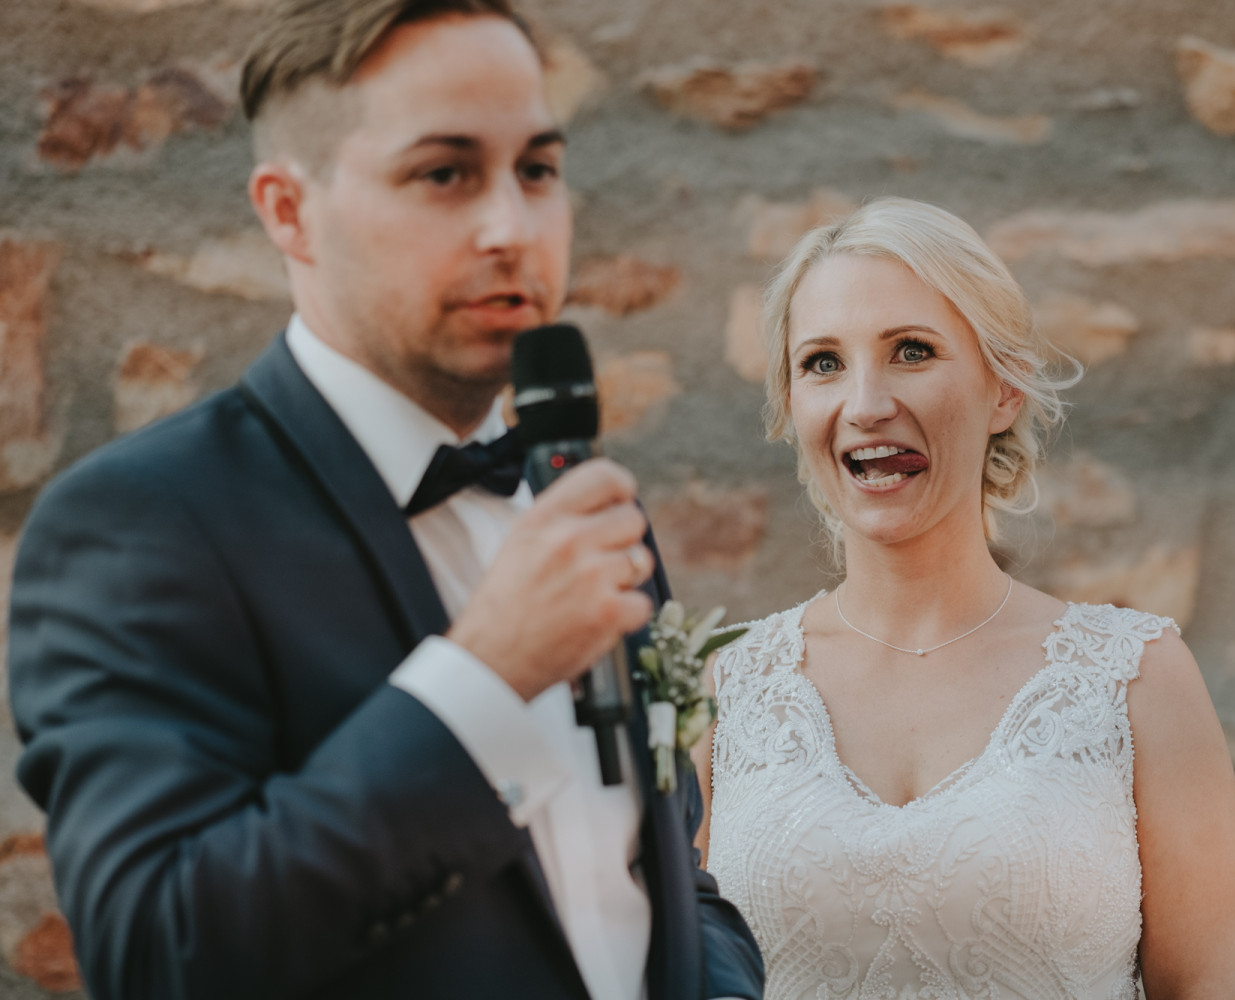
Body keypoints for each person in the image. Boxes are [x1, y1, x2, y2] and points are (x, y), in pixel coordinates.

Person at [6, 1, 763, 998]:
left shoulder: (572, 494)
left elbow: (655, 870)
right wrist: (486, 677)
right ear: (288, 210)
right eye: (444, 173)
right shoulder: (140, 524)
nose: (512, 226)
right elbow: (161, 951)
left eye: (537, 168)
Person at [692, 198, 1235, 999]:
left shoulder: (1138, 681)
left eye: (912, 351)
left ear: (1004, 389)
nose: (864, 405)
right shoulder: (721, 690)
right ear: (792, 405)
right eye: (822, 363)